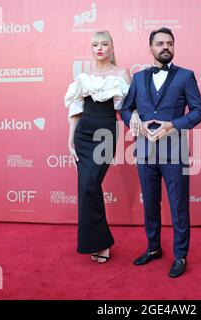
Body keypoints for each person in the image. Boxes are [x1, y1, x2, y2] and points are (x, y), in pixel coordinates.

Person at [120, 27, 201, 277]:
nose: (165, 47)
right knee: (150, 206)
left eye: (169, 43)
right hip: (145, 152)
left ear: (174, 47)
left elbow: (199, 111)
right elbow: (125, 109)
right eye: (159, 43)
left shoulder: (186, 76)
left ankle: (180, 255)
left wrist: (173, 125)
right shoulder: (138, 78)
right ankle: (154, 248)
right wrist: (134, 117)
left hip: (175, 153)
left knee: (178, 206)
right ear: (151, 49)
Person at [64, 31, 138, 263]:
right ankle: (99, 242)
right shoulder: (84, 77)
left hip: (106, 133)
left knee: (90, 184)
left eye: (105, 44)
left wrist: (137, 123)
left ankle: (101, 241)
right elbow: (75, 110)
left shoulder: (121, 74)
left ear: (112, 48)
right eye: (95, 44)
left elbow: (126, 108)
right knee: (86, 188)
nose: (100, 48)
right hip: (83, 135)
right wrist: (70, 139)